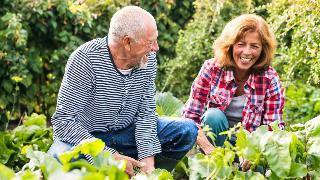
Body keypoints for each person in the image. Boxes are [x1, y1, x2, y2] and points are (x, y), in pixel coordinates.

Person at [47, 6, 197, 177]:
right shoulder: (86, 59)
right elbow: (63, 121)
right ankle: (107, 170)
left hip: (127, 135)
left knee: (186, 130)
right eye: (150, 42)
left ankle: (141, 173)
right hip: (88, 138)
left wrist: (148, 161)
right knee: (58, 158)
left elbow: (145, 114)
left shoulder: (147, 59)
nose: (155, 48)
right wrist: (108, 154)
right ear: (127, 42)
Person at [183, 14, 284, 171]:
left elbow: (273, 127)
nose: (247, 52)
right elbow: (190, 117)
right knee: (213, 116)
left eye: (254, 46)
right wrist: (209, 149)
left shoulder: (269, 78)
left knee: (257, 170)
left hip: (249, 146)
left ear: (263, 49)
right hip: (214, 141)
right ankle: (214, 170)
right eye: (241, 44)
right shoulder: (212, 69)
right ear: (230, 45)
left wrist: (252, 151)